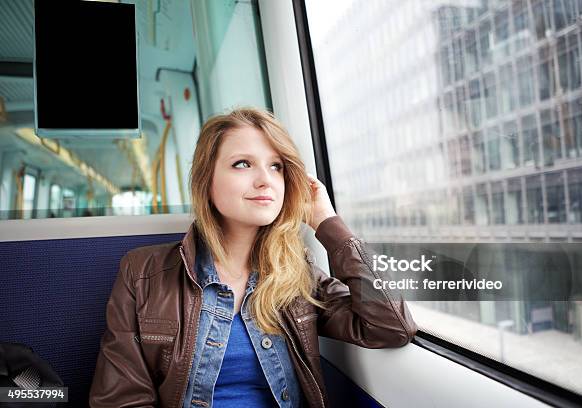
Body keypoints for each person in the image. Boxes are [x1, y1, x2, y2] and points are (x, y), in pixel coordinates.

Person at [89, 107, 418, 408]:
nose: (265, 179)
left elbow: (389, 327)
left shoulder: (297, 275)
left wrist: (328, 224)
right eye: (242, 164)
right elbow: (121, 401)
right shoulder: (143, 272)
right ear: (207, 181)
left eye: (276, 167)